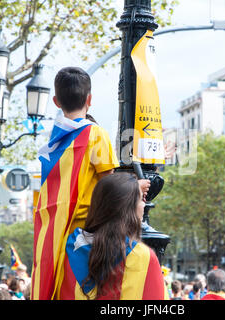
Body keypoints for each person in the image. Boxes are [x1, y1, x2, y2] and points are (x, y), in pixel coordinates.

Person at [31, 67, 150, 300]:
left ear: (56, 102)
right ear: (90, 100)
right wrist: (136, 187)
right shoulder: (95, 134)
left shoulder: (52, 144)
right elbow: (111, 188)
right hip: (87, 238)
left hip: (57, 236)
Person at [56, 172, 166, 300]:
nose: (144, 205)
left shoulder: (65, 248)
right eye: (142, 199)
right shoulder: (141, 256)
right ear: (129, 208)